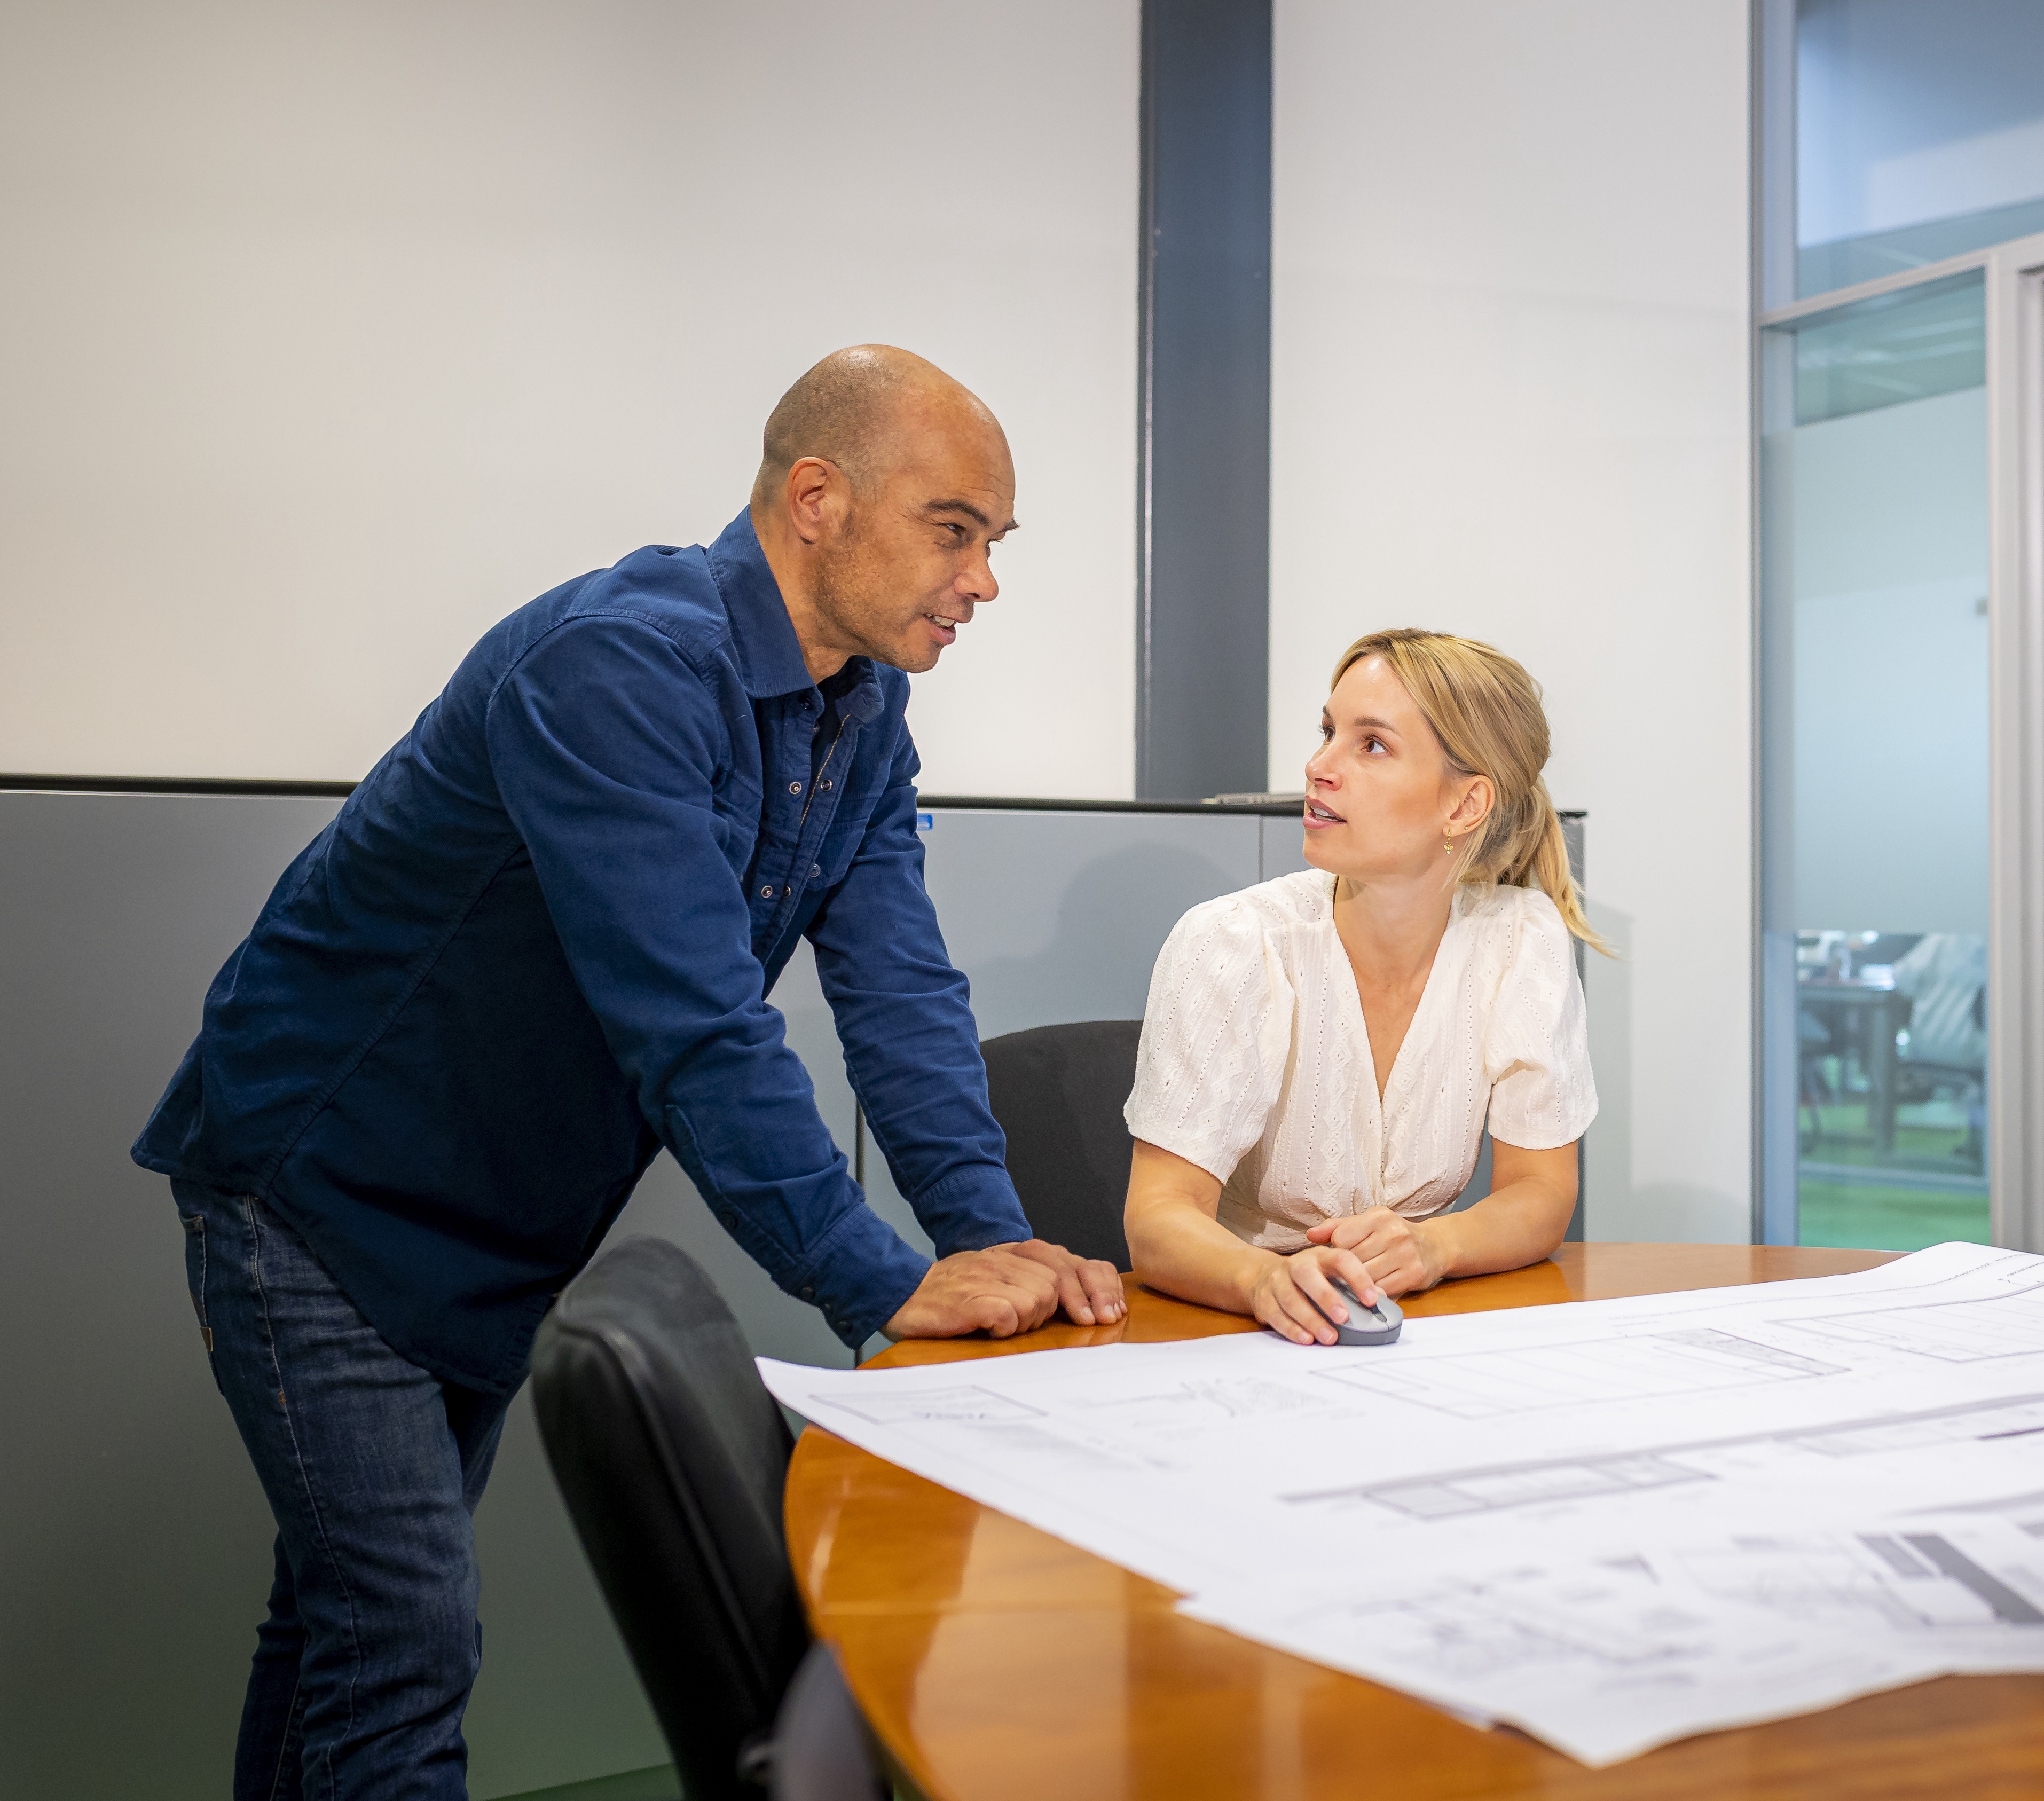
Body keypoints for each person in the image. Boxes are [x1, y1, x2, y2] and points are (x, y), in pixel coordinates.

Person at [131, 345, 1125, 1800]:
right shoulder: (619, 663)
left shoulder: (862, 710)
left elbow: (900, 988)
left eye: (994, 543)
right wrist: (877, 1280)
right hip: (318, 1198)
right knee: (402, 1641)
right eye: (954, 529)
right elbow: (694, 1024)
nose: (982, 580)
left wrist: (982, 1234)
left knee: (347, 1629)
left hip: (491, 1216)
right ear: (817, 499)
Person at [1122, 629, 1604, 1342]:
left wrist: (1436, 1246)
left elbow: (1542, 1193)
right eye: (1327, 732)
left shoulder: (1521, 939)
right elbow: (1158, 1217)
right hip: (1238, 1329)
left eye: (1371, 744)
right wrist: (1263, 1280)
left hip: (1402, 1327)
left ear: (1465, 806)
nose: (1319, 767)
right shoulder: (1234, 942)